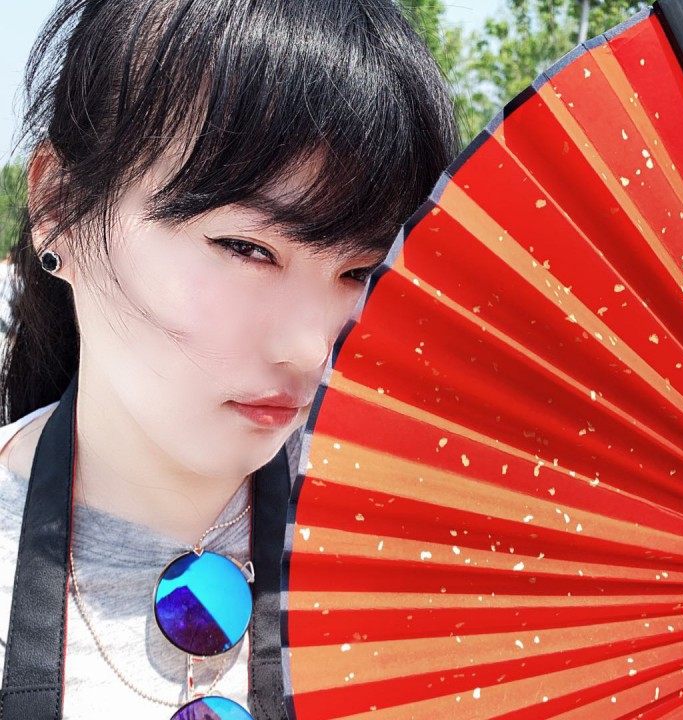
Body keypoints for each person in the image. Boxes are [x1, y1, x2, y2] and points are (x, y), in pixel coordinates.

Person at [0, 1, 458, 718]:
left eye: (360, 272)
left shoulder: (425, 551)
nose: (310, 348)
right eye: (246, 248)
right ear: (60, 205)